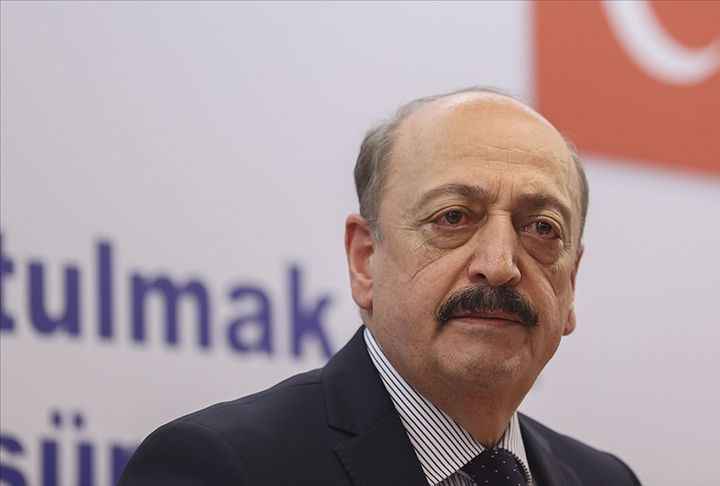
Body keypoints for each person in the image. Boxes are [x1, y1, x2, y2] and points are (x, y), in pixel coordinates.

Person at [119, 88, 641, 486]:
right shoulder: (220, 468)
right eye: (453, 217)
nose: (500, 265)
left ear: (571, 283)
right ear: (365, 260)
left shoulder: (606, 479)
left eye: (542, 228)